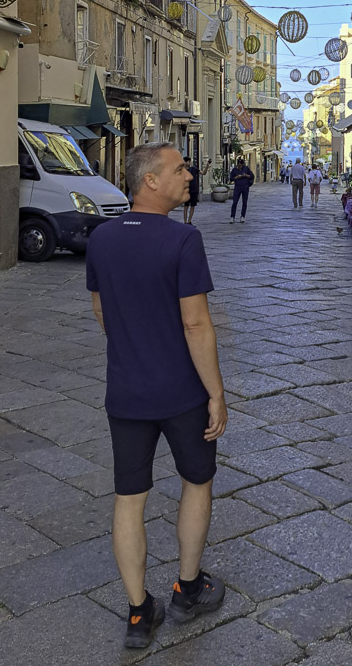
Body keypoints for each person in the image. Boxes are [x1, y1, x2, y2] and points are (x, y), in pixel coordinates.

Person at [85, 143, 227, 649]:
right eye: (179, 169)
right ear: (149, 181)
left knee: (129, 498)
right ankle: (188, 588)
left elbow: (102, 311)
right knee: (197, 481)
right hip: (182, 390)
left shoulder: (100, 240)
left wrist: (132, 348)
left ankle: (140, 613)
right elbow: (196, 324)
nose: (189, 174)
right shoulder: (183, 240)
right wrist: (216, 392)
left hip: (125, 391)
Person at [229, 157, 254, 223]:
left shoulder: (246, 169)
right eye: (238, 164)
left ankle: (242, 216)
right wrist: (236, 177)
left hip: (245, 187)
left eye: (241, 164)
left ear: (243, 165)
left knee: (244, 202)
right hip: (237, 187)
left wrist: (245, 175)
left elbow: (251, 176)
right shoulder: (234, 170)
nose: (239, 166)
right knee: (235, 202)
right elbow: (231, 178)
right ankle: (232, 216)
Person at [182, 155, 206, 225]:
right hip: (186, 191)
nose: (189, 163)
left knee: (192, 206)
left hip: (193, 190)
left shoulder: (194, 169)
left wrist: (207, 165)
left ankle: (189, 221)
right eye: (188, 161)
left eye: (189, 161)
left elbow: (203, 173)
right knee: (186, 206)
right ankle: (185, 221)